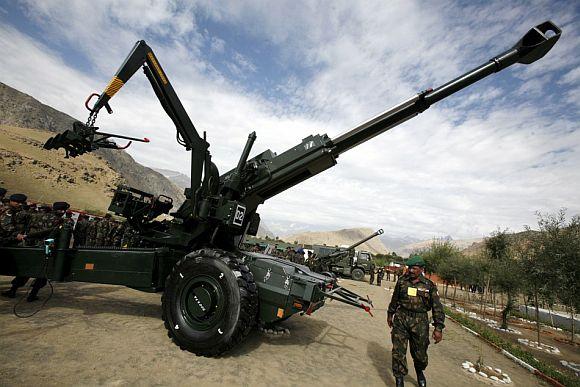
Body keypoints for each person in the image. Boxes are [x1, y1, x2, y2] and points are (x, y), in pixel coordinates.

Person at [387, 255, 445, 387]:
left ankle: (419, 372)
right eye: (410, 268)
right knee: (398, 351)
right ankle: (399, 379)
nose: (411, 271)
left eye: (415, 268)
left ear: (422, 269)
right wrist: (390, 314)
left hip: (420, 322)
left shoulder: (429, 286)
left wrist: (438, 328)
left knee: (420, 354)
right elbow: (394, 300)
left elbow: (437, 308)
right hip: (401, 318)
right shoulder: (402, 281)